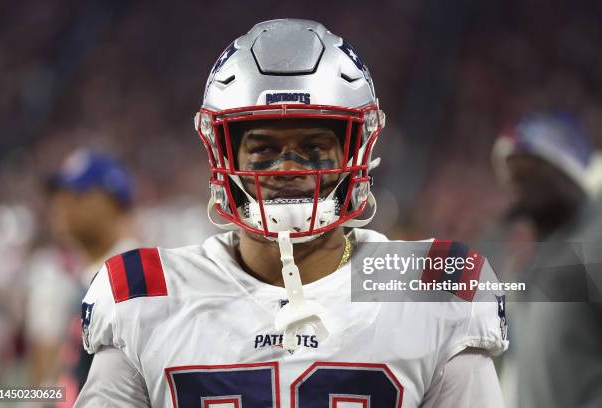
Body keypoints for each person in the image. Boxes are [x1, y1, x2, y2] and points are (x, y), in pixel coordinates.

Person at [75, 19, 508, 407]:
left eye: (315, 148)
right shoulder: (145, 297)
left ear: (356, 151)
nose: (287, 168)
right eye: (262, 148)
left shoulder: (432, 289)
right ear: (224, 156)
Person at [492, 112, 602, 407]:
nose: (514, 180)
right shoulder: (536, 261)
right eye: (510, 171)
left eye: (527, 168)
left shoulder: (595, 239)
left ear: (567, 171)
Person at [24, 149, 138, 404]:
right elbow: (57, 388)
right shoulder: (65, 276)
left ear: (113, 202)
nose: (61, 203)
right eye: (59, 194)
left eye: (77, 194)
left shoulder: (135, 279)